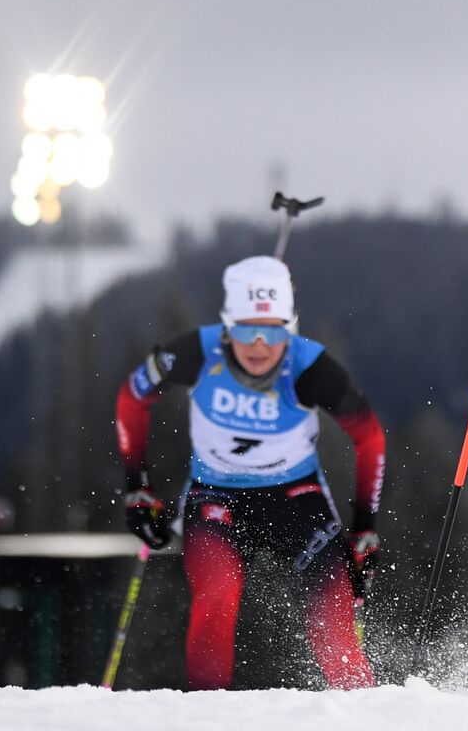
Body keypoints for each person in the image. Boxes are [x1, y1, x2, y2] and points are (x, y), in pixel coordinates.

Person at [114, 255, 386, 690]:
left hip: (297, 497)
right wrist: (137, 488)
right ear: (226, 328)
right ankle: (209, 717)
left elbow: (370, 438)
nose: (259, 344)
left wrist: (365, 529)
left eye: (273, 330)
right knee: (217, 593)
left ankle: (364, 712)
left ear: (290, 328)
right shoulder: (196, 352)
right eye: (245, 330)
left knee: (334, 622)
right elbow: (132, 398)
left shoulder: (310, 367)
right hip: (216, 497)